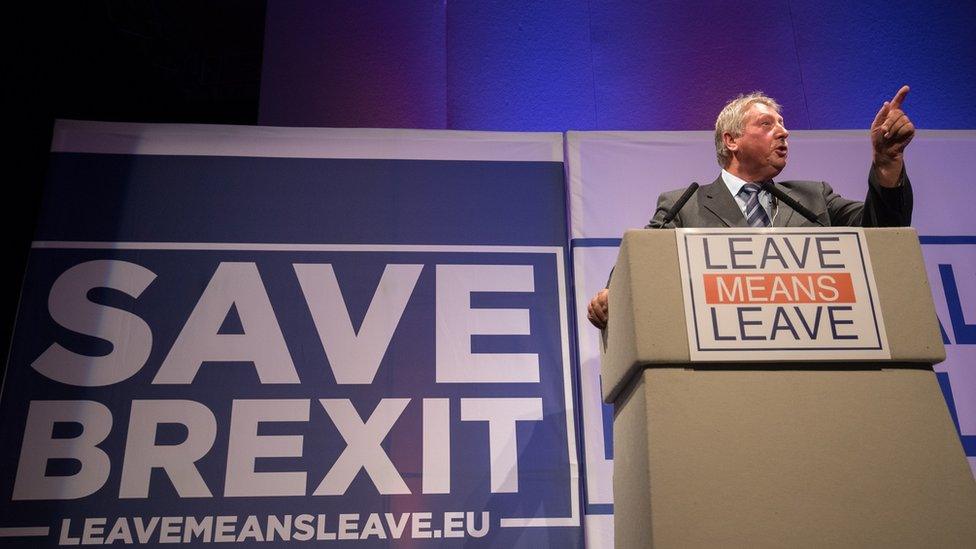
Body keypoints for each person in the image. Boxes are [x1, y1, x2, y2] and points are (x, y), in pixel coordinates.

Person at [586, 86, 915, 329]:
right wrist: (611, 294)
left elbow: (883, 233)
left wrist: (887, 163)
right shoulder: (684, 205)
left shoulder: (815, 198)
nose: (784, 132)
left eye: (782, 124)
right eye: (767, 125)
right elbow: (641, 260)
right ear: (731, 141)